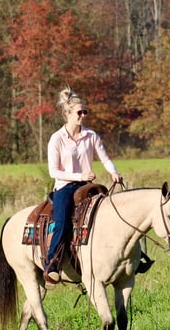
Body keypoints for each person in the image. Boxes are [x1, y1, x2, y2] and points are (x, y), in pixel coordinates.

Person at [43, 87, 123, 284]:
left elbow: (104, 158)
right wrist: (80, 175)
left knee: (109, 213)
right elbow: (54, 172)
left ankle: (121, 258)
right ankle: (51, 263)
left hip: (87, 185)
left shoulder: (91, 136)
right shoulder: (57, 139)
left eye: (85, 111)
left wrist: (113, 172)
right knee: (62, 223)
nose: (83, 115)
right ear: (68, 114)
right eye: (80, 112)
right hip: (64, 187)